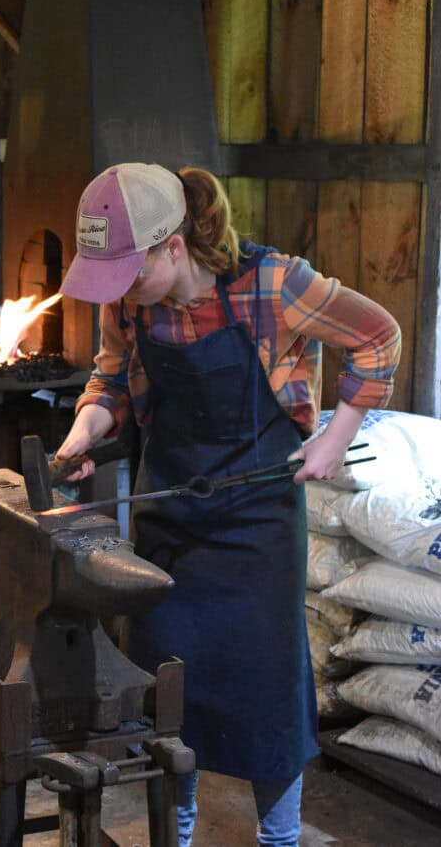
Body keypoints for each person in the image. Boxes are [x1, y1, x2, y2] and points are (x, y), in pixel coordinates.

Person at [57, 162, 401, 846]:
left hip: (259, 520)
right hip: (169, 513)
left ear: (173, 247)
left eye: (131, 271)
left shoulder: (274, 284)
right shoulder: (128, 299)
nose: (121, 289)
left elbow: (378, 336)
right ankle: (174, 830)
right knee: (168, 688)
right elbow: (111, 373)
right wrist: (85, 429)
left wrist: (335, 437)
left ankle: (279, 838)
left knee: (266, 688)